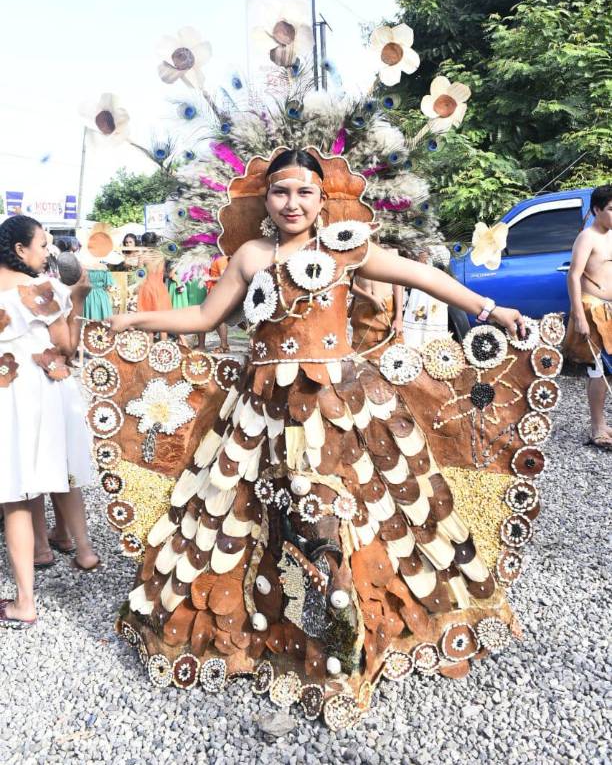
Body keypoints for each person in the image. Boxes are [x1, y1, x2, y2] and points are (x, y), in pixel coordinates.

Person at [106, 147, 532, 720]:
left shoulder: (346, 247)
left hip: (338, 410)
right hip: (260, 412)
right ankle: (267, 631)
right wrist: (134, 320)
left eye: (305, 192)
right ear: (266, 198)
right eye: (281, 192)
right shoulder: (251, 255)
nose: (292, 203)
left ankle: (349, 640)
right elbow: (204, 319)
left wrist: (489, 308)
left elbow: (421, 274)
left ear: (320, 199)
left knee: (350, 516)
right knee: (247, 517)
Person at [0, 215, 98, 629]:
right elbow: (66, 346)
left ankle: (25, 600)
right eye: (42, 245)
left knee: (15, 492)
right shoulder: (45, 291)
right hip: (48, 386)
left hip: (7, 391)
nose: (48, 253)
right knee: (64, 470)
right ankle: (84, 551)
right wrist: (76, 301)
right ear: (20, 250)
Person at [565, 184, 612, 449]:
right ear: (596, 210)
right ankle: (597, 428)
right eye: (611, 209)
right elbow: (573, 276)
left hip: (611, 311)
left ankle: (604, 423)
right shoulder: (588, 237)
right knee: (599, 370)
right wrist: (579, 316)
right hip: (592, 309)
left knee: (610, 371)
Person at [350, 242, 404, 355]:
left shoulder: (390, 251)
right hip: (363, 312)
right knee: (363, 358)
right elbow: (347, 283)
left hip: (387, 310)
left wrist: (399, 317)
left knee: (392, 357)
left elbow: (398, 283)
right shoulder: (354, 247)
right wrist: (370, 298)